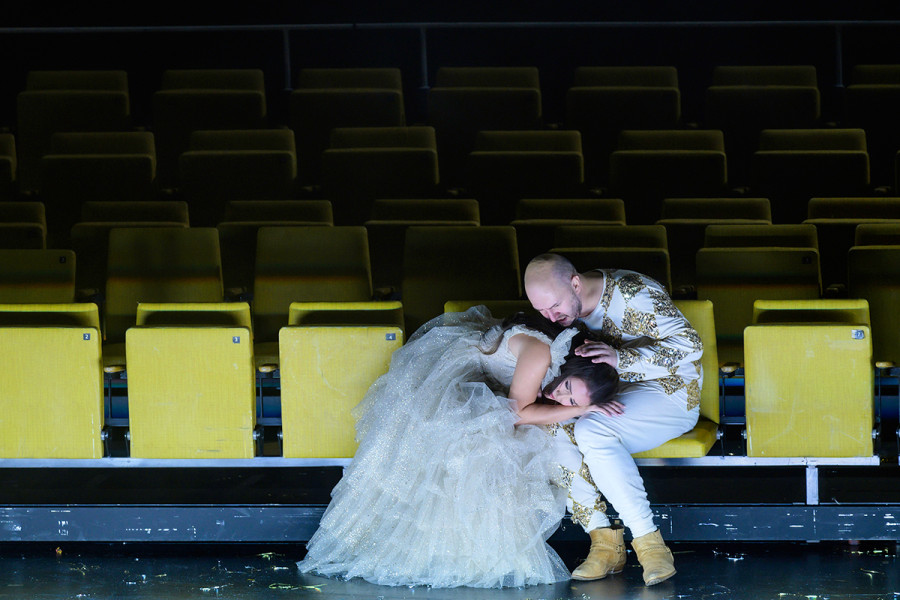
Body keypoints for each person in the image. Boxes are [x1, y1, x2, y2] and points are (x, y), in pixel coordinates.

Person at [297, 306, 621, 589]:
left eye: (572, 399)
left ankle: (482, 552)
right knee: (488, 446)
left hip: (491, 391)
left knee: (524, 444)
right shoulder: (540, 353)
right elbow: (519, 412)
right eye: (566, 388)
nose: (560, 398)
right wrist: (579, 409)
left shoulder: (559, 359)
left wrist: (578, 405)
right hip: (459, 386)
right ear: (570, 368)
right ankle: (443, 552)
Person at [524, 253, 703, 587]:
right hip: (610, 392)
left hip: (669, 390)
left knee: (592, 429)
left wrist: (623, 359)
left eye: (555, 306)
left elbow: (690, 347)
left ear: (575, 282)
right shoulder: (562, 311)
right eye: (542, 310)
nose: (551, 316)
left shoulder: (633, 294)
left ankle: (649, 543)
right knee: (552, 424)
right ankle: (604, 542)